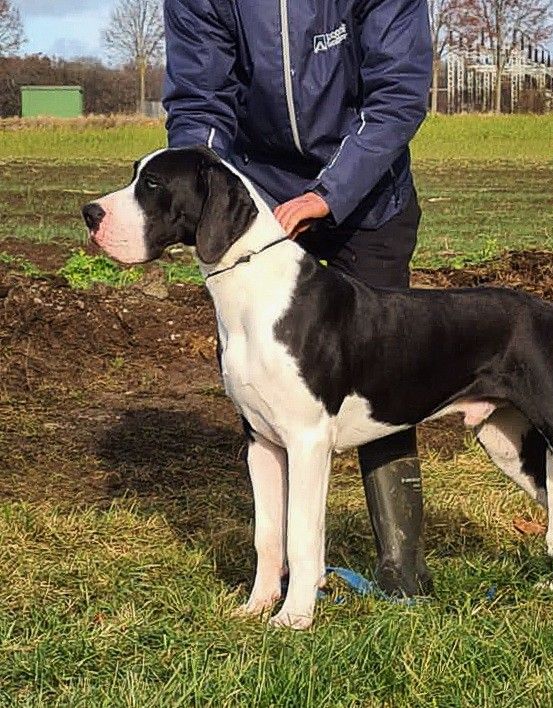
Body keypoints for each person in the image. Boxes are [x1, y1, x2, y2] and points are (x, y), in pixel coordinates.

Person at [163, 0, 433, 596]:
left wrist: (331, 192)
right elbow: (200, 103)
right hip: (261, 208)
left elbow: (397, 94)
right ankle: (275, 570)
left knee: (381, 369)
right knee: (262, 373)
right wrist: (207, 198)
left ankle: (402, 570)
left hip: (368, 193)